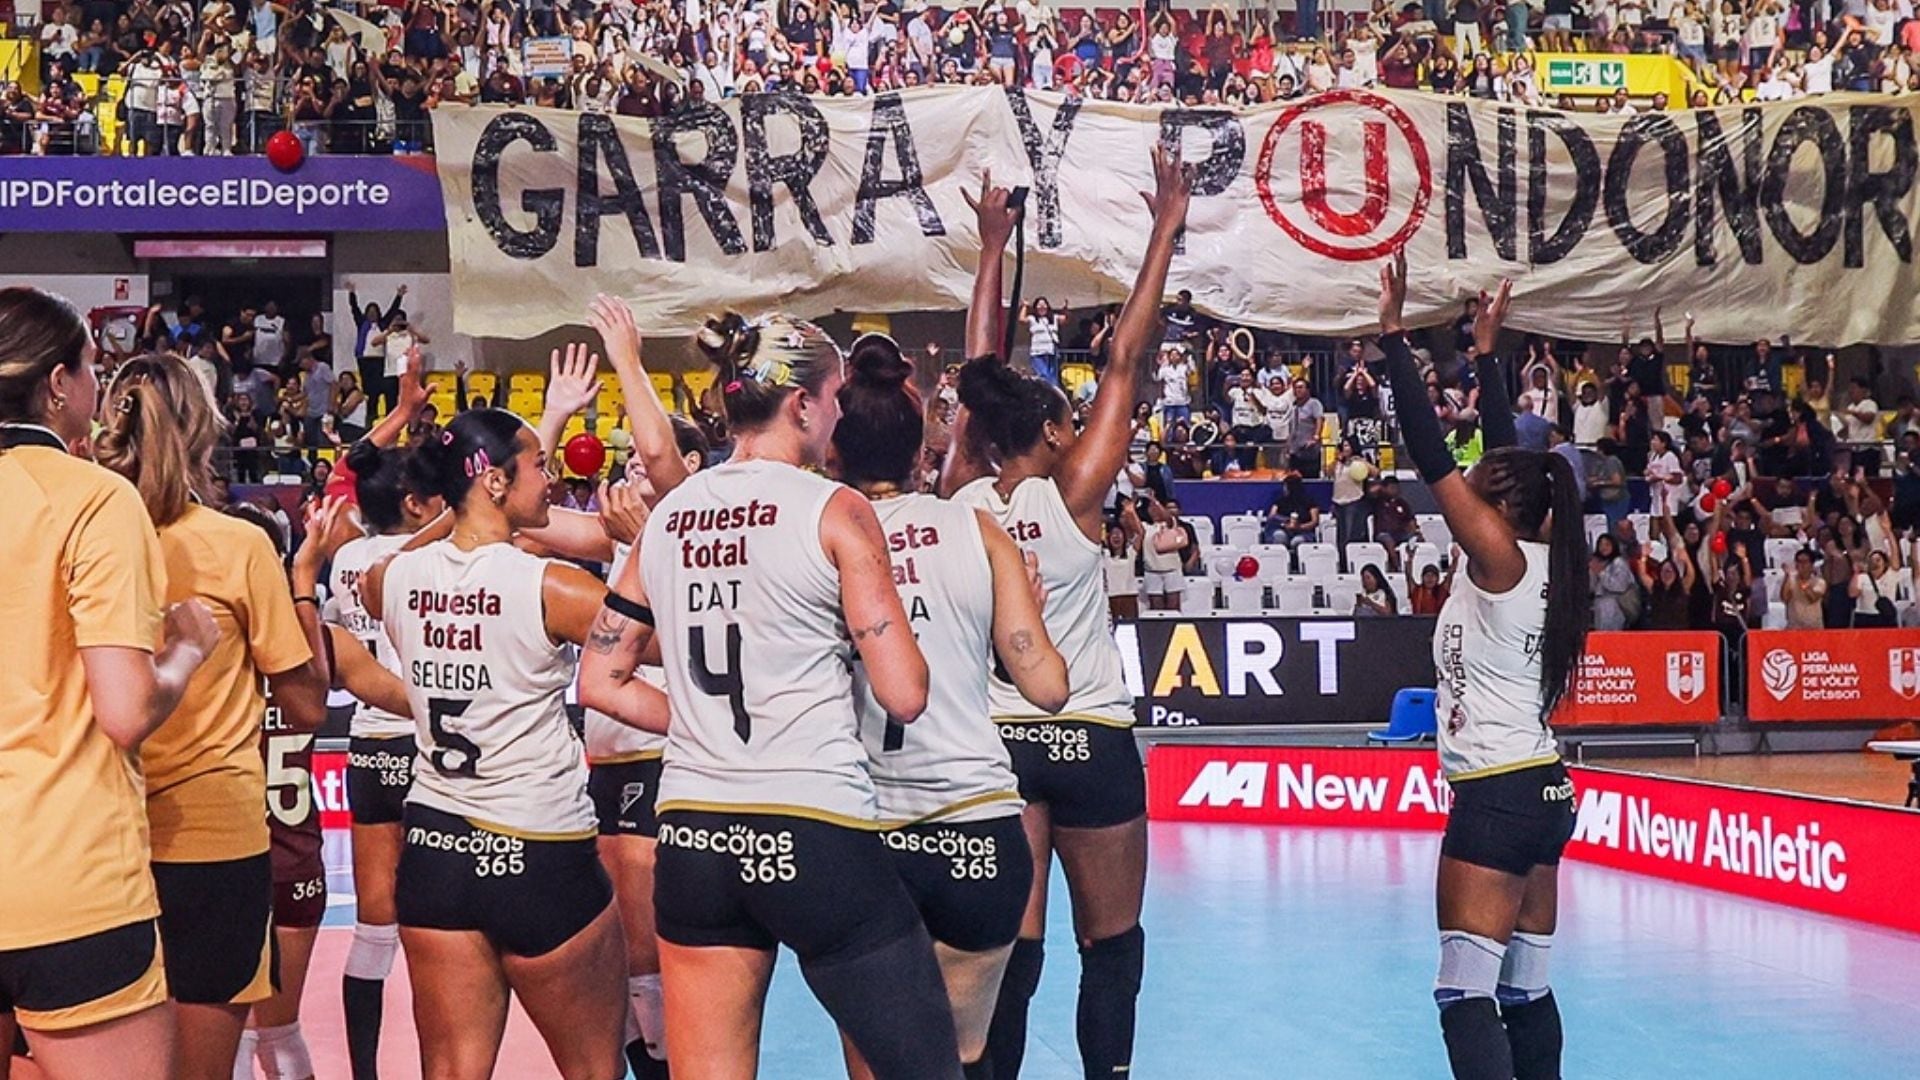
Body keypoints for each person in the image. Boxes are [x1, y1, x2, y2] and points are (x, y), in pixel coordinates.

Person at [578, 312, 962, 1080]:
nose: (839, 418)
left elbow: (601, 677)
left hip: (695, 837)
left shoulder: (669, 518)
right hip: (814, 826)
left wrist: (696, 721)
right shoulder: (835, 509)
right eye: (834, 399)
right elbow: (906, 691)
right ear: (802, 405)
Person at [941, 146, 1190, 1080]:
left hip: (997, 742)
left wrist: (991, 250)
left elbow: (976, 371)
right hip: (1088, 731)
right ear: (1050, 433)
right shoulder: (1075, 491)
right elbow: (1125, 357)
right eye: (1067, 417)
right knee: (1112, 949)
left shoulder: (959, 499)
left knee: (1016, 951)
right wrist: (1164, 228)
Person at [360, 406, 668, 1080]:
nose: (552, 479)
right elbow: (666, 640)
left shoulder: (395, 580)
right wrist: (641, 545)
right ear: (494, 482)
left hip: (436, 850)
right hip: (539, 851)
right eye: (537, 464)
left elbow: (377, 576)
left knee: (450, 1070)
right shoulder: (551, 586)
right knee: (594, 1069)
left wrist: (459, 511)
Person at [827, 332, 1070, 1080]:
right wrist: (1024, 600)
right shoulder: (977, 527)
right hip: (977, 829)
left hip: (869, 831)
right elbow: (1048, 688)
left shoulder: (823, 536)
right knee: (961, 1063)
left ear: (835, 456)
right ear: (919, 455)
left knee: (879, 1066)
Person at [1377, 254, 1591, 1080]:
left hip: (1495, 795)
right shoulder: (1538, 557)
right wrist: (1489, 356)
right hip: (1543, 789)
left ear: (1499, 508)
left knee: (1464, 994)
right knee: (1524, 991)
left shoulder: (1499, 557)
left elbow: (1434, 458)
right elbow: (1509, 459)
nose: (1467, 476)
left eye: (1481, 479)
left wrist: (1398, 340)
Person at [0, 288, 220, 1080]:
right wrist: (189, 650)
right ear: (57, 384)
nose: (97, 392)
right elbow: (125, 709)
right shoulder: (93, 499)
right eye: (91, 370)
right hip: (69, 882)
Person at [96, 352, 330, 1080]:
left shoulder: (87, 533)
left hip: (101, 832)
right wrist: (304, 589)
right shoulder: (240, 544)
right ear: (204, 429)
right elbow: (307, 702)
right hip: (213, 840)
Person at [229, 500, 412, 1080]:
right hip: (293, 859)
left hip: (217, 858)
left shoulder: (199, 642)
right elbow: (413, 701)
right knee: (280, 1032)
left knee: (222, 1042)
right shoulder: (323, 642)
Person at [326, 439, 442, 1080]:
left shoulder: (345, 557)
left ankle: (364, 1073)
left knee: (374, 931)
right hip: (423, 744)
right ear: (413, 502)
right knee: (437, 935)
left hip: (368, 747)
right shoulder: (417, 559)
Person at [1141, 494, 1190, 611]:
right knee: (1156, 607)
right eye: (1150, 507)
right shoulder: (1145, 527)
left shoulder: (1170, 524)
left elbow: (1166, 516)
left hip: (1172, 570)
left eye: (1156, 507)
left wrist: (1153, 499)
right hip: (1152, 570)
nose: (1154, 509)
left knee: (1173, 606)